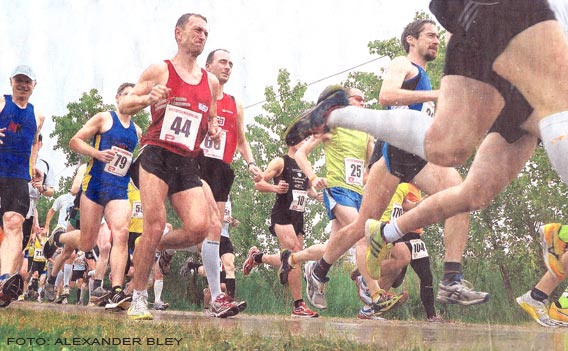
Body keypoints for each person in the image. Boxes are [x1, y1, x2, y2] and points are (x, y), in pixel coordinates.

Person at [119, 13, 238, 320]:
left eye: (206, 32)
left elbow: (210, 115)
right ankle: (140, 297)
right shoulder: (161, 69)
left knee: (199, 228)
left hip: (187, 160)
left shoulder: (210, 82)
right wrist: (147, 98)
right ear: (179, 33)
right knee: (155, 222)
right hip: (156, 154)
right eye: (197, 30)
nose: (202, 35)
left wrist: (212, 128)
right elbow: (124, 104)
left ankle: (151, 247)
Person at [158, 48, 260, 315]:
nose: (228, 67)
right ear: (208, 66)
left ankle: (164, 246)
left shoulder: (234, 102)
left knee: (208, 230)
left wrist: (250, 163)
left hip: (222, 169)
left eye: (231, 63)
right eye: (222, 62)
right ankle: (216, 297)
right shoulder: (198, 92)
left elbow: (241, 139)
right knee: (213, 225)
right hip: (197, 162)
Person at [68, 82, 141, 310]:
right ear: (118, 98)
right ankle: (59, 239)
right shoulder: (104, 118)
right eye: (127, 95)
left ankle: (117, 290)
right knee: (86, 242)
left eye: (135, 96)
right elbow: (75, 141)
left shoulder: (137, 131)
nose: (131, 99)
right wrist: (97, 153)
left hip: (118, 188)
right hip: (95, 186)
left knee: (121, 233)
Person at [249, 137, 320, 318]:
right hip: (282, 215)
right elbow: (259, 183)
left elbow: (309, 190)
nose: (305, 141)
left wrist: (318, 195)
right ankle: (298, 305)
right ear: (292, 141)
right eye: (302, 138)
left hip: (298, 217)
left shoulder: (305, 164)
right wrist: (275, 188)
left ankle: (258, 257)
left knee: (294, 258)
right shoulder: (281, 162)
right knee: (295, 251)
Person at [0, 65, 45, 307]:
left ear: (34, 85)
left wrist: (33, 167)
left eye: (27, 81)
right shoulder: (1, 103)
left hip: (18, 177)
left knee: (14, 222)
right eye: (19, 80)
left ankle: (4, 281)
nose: (23, 85)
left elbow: (32, 146)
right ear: (11, 82)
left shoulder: (38, 116)